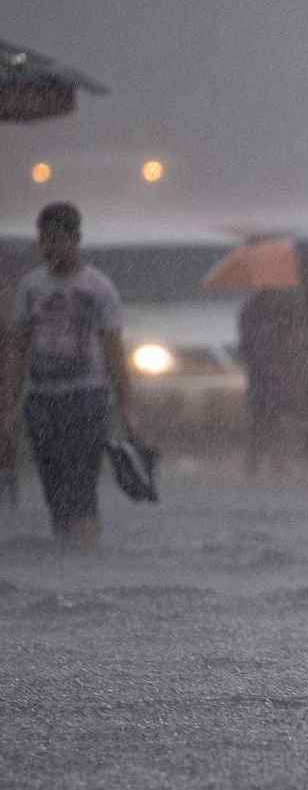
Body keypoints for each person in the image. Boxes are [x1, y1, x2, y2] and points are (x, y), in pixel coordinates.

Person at [1, 202, 137, 548]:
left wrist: (128, 410)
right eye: (44, 240)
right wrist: (10, 405)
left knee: (81, 484)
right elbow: (17, 349)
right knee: (53, 485)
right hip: (41, 400)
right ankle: (66, 551)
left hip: (86, 398)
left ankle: (85, 553)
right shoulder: (31, 288)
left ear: (75, 239)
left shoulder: (98, 288)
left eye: (57, 240)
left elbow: (114, 353)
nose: (49, 248)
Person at [236, 287, 302, 476]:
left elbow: (246, 344)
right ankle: (266, 463)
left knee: (265, 420)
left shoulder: (253, 309)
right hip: (268, 374)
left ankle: (261, 463)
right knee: (267, 420)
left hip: (267, 374)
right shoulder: (262, 309)